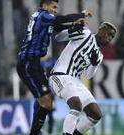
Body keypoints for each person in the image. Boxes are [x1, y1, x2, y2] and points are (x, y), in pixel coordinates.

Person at [16, 0, 92, 134]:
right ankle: (35, 132)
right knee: (46, 101)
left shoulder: (42, 18)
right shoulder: (42, 16)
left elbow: (57, 27)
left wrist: (74, 24)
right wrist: (81, 14)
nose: (55, 10)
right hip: (27, 63)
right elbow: (60, 20)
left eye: (57, 7)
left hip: (34, 63)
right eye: (54, 6)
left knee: (45, 99)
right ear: (45, 6)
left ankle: (36, 131)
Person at [49, 21, 117, 135]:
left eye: (112, 37)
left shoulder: (99, 56)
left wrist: (94, 63)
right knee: (76, 105)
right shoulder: (85, 33)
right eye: (108, 33)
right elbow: (58, 37)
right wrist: (72, 29)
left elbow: (88, 75)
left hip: (75, 80)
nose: (109, 38)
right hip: (60, 74)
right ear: (101, 29)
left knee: (95, 114)